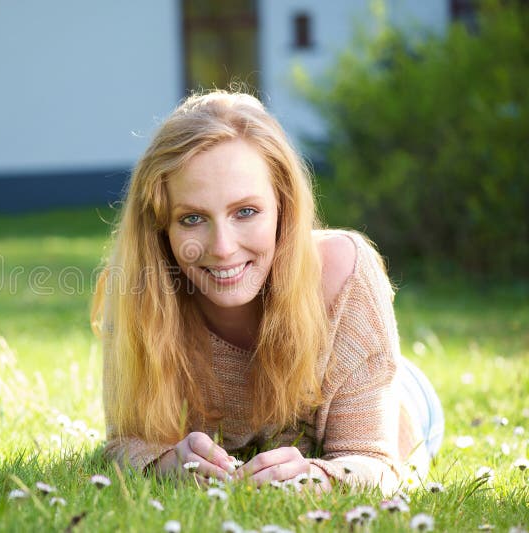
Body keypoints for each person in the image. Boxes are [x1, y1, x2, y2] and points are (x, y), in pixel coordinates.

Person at [91, 90, 443, 493]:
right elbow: (121, 445)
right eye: (191, 218)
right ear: (161, 227)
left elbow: (377, 466)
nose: (222, 248)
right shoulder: (140, 288)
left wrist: (322, 477)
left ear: (283, 206)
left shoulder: (345, 273)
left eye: (246, 212)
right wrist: (166, 461)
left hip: (401, 397)